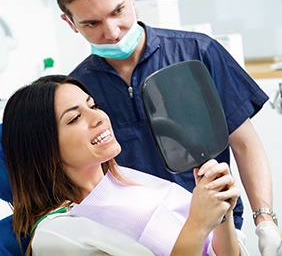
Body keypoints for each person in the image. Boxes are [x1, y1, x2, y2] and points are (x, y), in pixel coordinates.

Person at [53, 0, 281, 254]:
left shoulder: (198, 53)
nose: (112, 32)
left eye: (117, 11)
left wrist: (265, 219)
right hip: (140, 238)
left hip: (218, 228)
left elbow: (245, 144)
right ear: (69, 23)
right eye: (92, 23)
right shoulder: (78, 94)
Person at [2, 74, 250, 255]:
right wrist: (198, 223)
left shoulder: (128, 180)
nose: (99, 117)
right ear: (45, 148)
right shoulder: (56, 235)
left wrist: (221, 211)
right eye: (75, 118)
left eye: (93, 106)